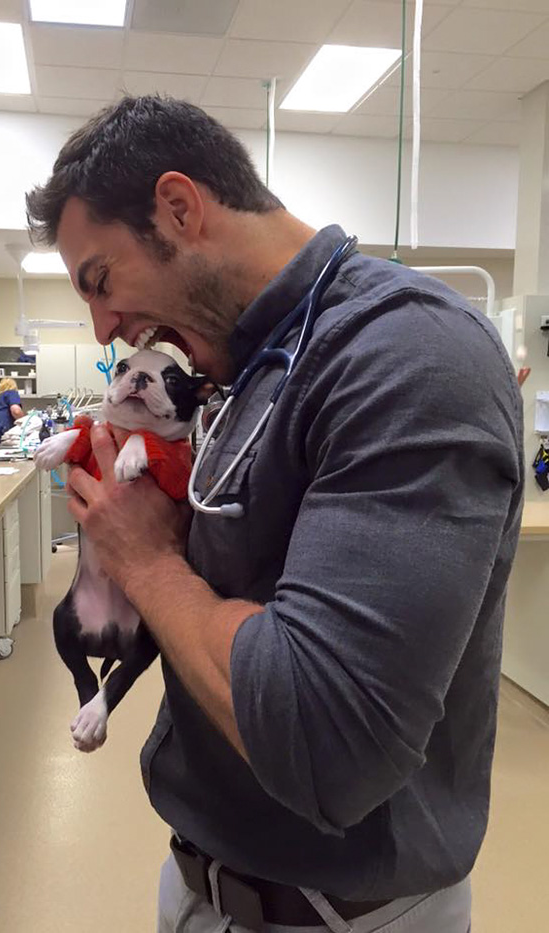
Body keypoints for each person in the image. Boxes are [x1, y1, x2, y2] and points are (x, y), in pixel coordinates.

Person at [26, 97, 524, 933]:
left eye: (101, 281)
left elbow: (328, 740)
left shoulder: (407, 355)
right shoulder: (243, 363)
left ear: (179, 208)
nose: (104, 328)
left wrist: (146, 562)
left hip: (343, 916)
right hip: (203, 881)